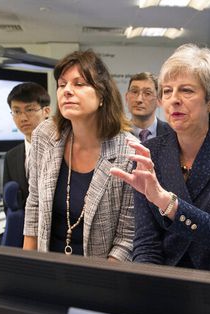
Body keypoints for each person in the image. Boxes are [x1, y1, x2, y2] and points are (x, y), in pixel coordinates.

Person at [111, 44, 210, 276]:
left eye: (186, 90)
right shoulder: (149, 152)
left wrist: (167, 203)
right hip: (171, 284)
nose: (174, 100)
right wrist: (146, 289)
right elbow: (146, 243)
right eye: (167, 91)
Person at [23, 50, 135, 260]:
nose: (67, 91)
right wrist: (26, 269)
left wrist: (95, 285)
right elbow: (34, 204)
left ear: (102, 94)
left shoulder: (128, 153)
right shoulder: (44, 136)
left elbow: (126, 239)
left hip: (99, 276)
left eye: (79, 84)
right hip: (47, 267)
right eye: (62, 84)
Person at [2, 82, 51, 209]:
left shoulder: (62, 148)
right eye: (16, 111)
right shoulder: (11, 157)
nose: (23, 118)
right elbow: (9, 205)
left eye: (29, 110)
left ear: (46, 111)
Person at [125, 72, 172, 142]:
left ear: (159, 100)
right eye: (134, 92)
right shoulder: (116, 134)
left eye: (147, 93)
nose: (139, 99)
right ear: (126, 98)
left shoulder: (173, 133)